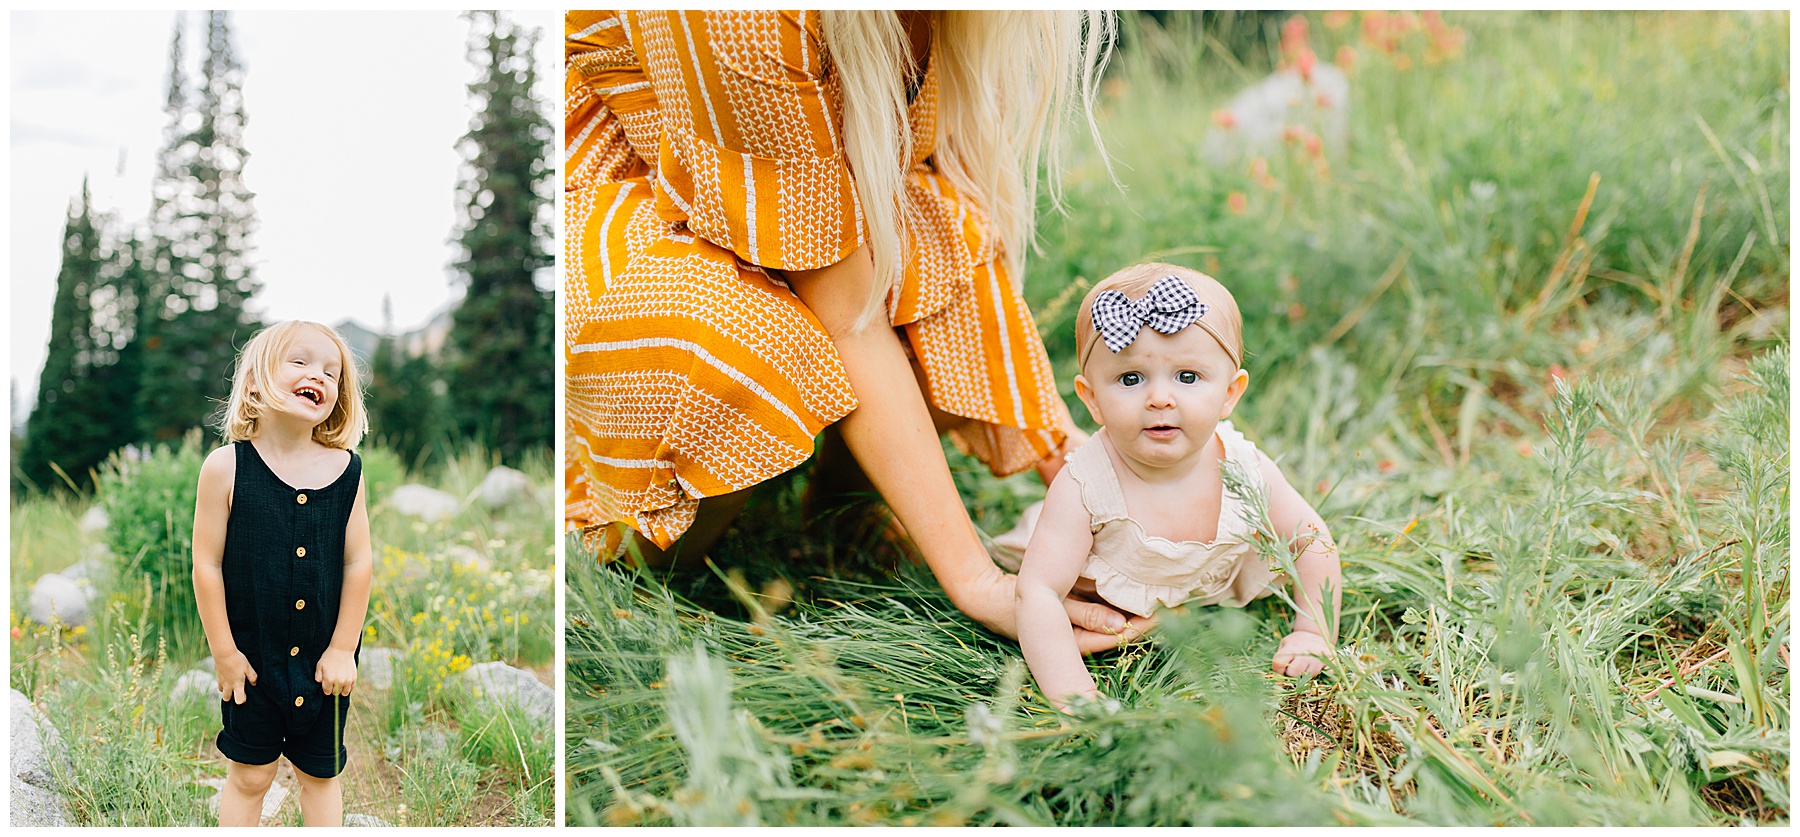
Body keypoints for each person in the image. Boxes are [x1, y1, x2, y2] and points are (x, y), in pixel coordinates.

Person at [565, 10, 1149, 650]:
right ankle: (641, 556)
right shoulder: (748, 19)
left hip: (811, 201)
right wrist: (979, 584)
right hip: (641, 187)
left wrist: (1089, 471)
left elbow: (945, 205)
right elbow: (848, 314)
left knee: (946, 256)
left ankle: (844, 510)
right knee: (733, 344)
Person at [1012, 263, 1342, 711]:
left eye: (1187, 377)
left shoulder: (1244, 466)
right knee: (1037, 568)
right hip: (1098, 591)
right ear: (1091, 400)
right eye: (1130, 379)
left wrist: (1312, 632)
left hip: (1193, 588)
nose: (1160, 398)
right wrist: (1074, 693)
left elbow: (1311, 539)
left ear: (1230, 393)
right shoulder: (1084, 487)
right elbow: (1040, 592)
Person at [192, 321, 373, 826]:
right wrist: (225, 655)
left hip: (324, 661)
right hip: (251, 658)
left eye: (331, 372)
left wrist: (342, 648)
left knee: (320, 774)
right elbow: (205, 566)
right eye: (300, 361)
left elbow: (359, 563)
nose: (318, 375)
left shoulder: (347, 470)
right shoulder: (226, 468)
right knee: (250, 775)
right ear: (254, 381)